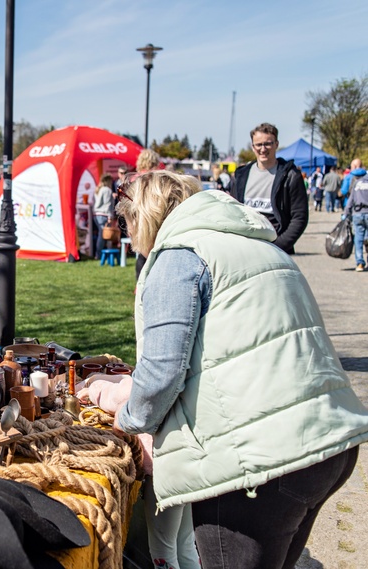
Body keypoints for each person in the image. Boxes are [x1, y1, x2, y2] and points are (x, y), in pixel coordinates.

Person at [112, 170, 368, 569]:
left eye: (128, 224)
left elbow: (162, 371)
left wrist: (127, 420)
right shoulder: (258, 247)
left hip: (261, 462)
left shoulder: (180, 255)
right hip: (326, 444)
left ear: (142, 217)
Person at [80, 375, 200, 569]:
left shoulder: (157, 377)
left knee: (163, 551)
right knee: (185, 543)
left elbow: (125, 394)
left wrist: (92, 387)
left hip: (165, 468)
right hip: (187, 460)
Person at [232, 123, 308, 254]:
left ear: (276, 144)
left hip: (276, 249)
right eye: (258, 145)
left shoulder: (290, 175)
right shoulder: (241, 175)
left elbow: (299, 217)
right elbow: (231, 210)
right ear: (253, 146)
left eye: (268, 144)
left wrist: (278, 246)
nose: (263, 149)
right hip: (244, 249)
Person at [133, 149, 161, 279]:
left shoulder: (134, 178)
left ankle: (139, 283)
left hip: (136, 219)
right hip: (153, 217)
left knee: (142, 253)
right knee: (153, 253)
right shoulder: (155, 178)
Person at [343, 166, 368, 272]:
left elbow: (350, 201)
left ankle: (360, 263)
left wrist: (345, 214)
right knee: (366, 238)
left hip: (357, 214)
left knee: (358, 239)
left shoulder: (356, 185)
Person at [93, 173, 115, 259]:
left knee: (101, 234)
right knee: (105, 235)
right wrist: (110, 216)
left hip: (96, 215)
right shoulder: (107, 190)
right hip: (104, 214)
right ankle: (100, 254)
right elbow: (107, 205)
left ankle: (101, 254)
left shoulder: (98, 189)